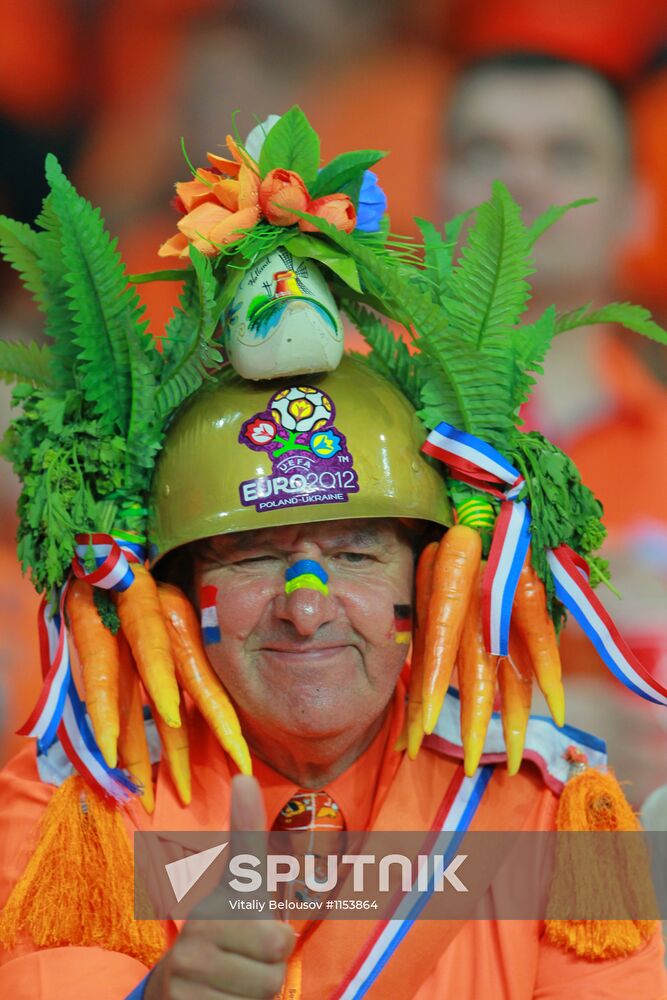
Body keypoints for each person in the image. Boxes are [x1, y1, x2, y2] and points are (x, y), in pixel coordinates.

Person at [0, 109, 666, 999]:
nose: (305, 605)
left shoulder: (570, 803)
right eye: (250, 556)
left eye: (354, 555)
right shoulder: (75, 795)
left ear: (430, 582)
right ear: (178, 586)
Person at [440, 49, 667, 806]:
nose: (521, 184)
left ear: (638, 207)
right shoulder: (341, 417)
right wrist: (529, 722)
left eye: (565, 154)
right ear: (430, 190)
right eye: (483, 152)